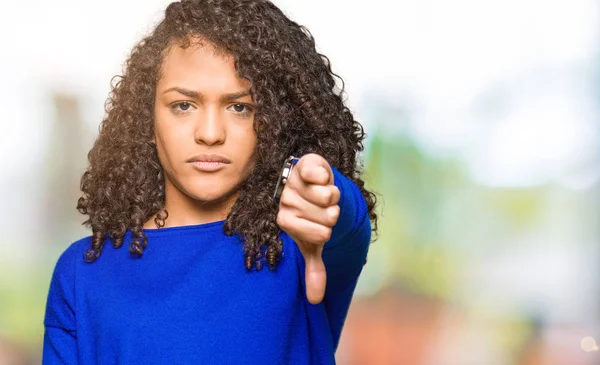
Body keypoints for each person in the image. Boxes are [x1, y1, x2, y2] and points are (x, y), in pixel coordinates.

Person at [42, 0, 378, 364]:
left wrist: (323, 191)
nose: (210, 133)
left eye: (240, 108)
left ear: (276, 123)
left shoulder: (300, 242)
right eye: (184, 105)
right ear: (147, 120)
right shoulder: (83, 273)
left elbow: (345, 220)